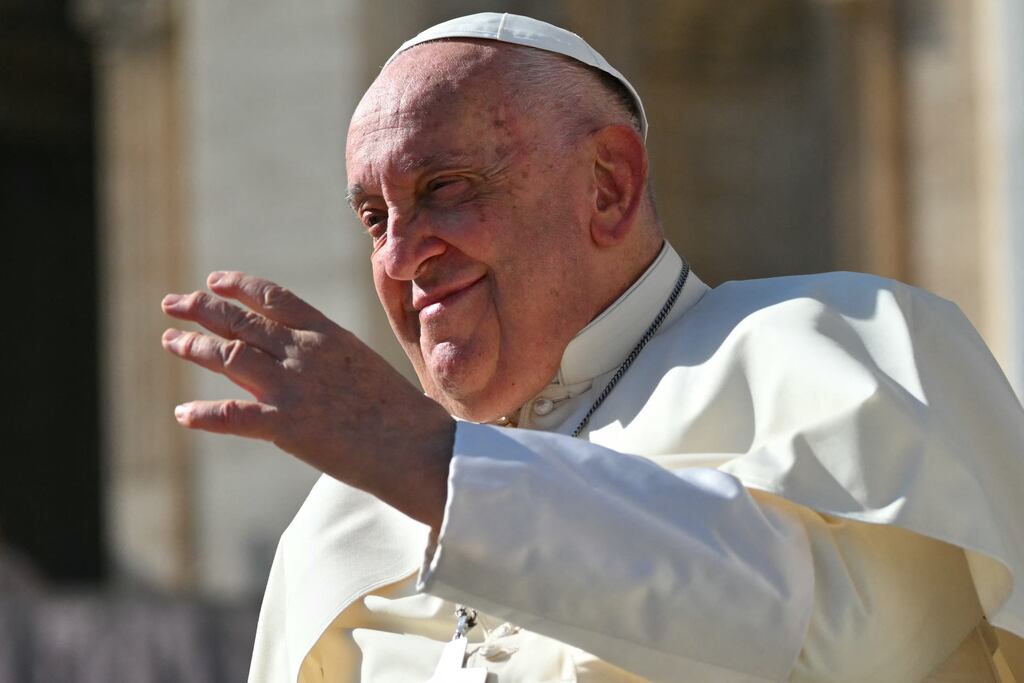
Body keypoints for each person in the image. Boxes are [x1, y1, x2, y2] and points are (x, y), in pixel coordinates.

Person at [161, 12, 1024, 683]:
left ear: (609, 186)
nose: (397, 256)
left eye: (446, 188)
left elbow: (845, 652)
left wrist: (441, 467)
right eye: (375, 217)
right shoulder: (340, 521)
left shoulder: (837, 344)